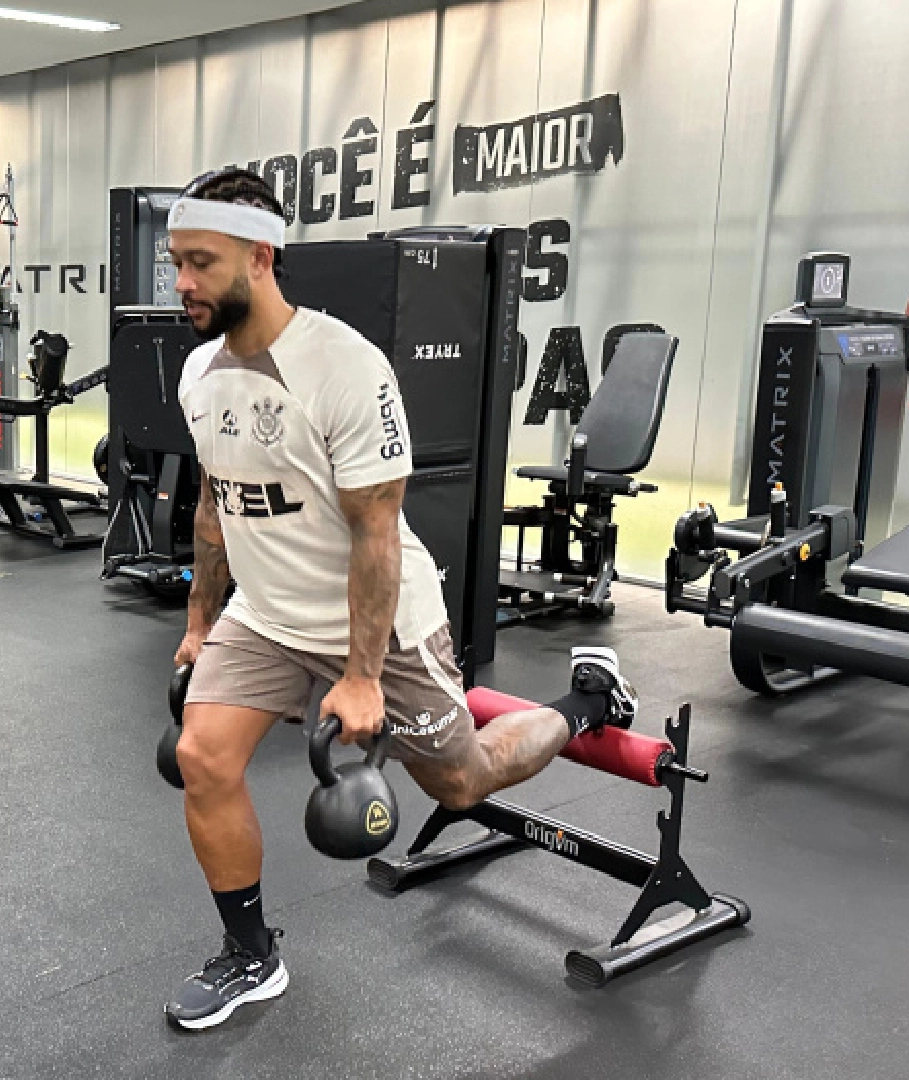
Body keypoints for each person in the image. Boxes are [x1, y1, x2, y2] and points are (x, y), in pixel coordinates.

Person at [163, 168, 638, 1030]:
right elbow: (213, 502)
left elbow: (378, 533)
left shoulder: (343, 367)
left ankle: (586, 701)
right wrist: (201, 620)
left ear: (261, 256)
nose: (183, 283)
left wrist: (362, 676)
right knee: (203, 758)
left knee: (462, 784)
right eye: (176, 262)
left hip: (379, 623)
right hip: (265, 617)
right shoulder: (199, 371)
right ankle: (251, 955)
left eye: (200, 261)